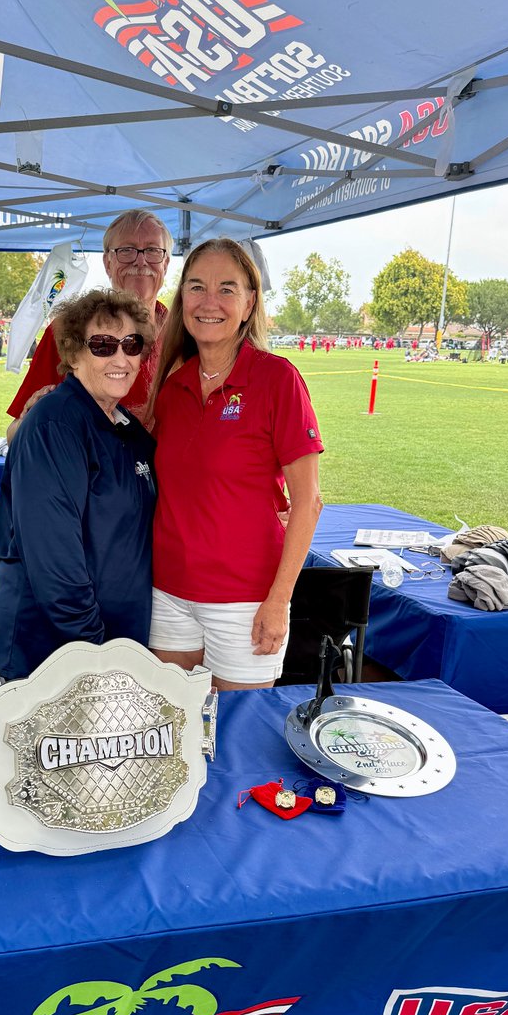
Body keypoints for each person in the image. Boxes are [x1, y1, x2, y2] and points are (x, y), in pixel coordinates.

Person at [146, 238, 324, 692]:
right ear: (181, 297)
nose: (209, 302)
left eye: (227, 289)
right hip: (168, 592)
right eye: (196, 287)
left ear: (249, 304)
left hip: (245, 599)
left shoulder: (277, 379)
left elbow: (308, 502)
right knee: (174, 737)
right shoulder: (173, 388)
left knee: (237, 741)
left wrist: (278, 601)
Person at [0, 289, 156, 682]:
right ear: (74, 353)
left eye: (131, 344)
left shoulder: (127, 428)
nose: (120, 358)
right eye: (102, 345)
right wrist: (95, 654)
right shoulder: (54, 426)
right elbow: (54, 560)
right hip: (50, 652)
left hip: (112, 647)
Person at [5, 208, 173, 441]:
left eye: (153, 250)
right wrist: (31, 421)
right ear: (107, 262)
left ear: (165, 263)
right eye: (127, 251)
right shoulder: (68, 330)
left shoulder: (185, 333)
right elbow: (14, 435)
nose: (141, 260)